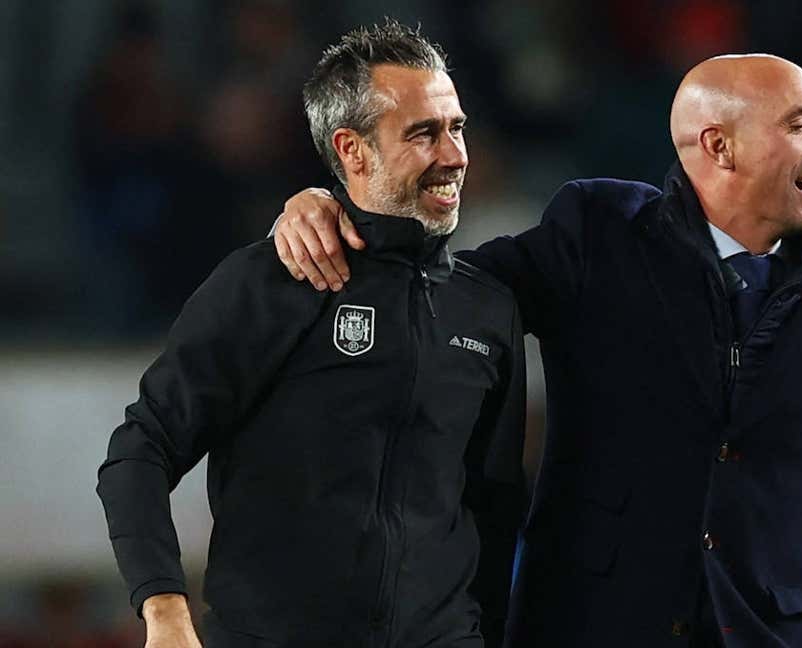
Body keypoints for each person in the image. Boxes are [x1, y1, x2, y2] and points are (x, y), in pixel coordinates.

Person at [276, 54, 802, 647]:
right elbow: (444, 290)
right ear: (719, 146)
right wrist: (338, 213)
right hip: (591, 626)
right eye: (801, 125)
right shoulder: (600, 232)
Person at [96, 21, 526, 648]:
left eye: (457, 127)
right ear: (352, 150)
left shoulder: (486, 307)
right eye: (424, 133)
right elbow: (139, 452)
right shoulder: (272, 281)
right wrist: (164, 611)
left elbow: (494, 507)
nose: (455, 155)